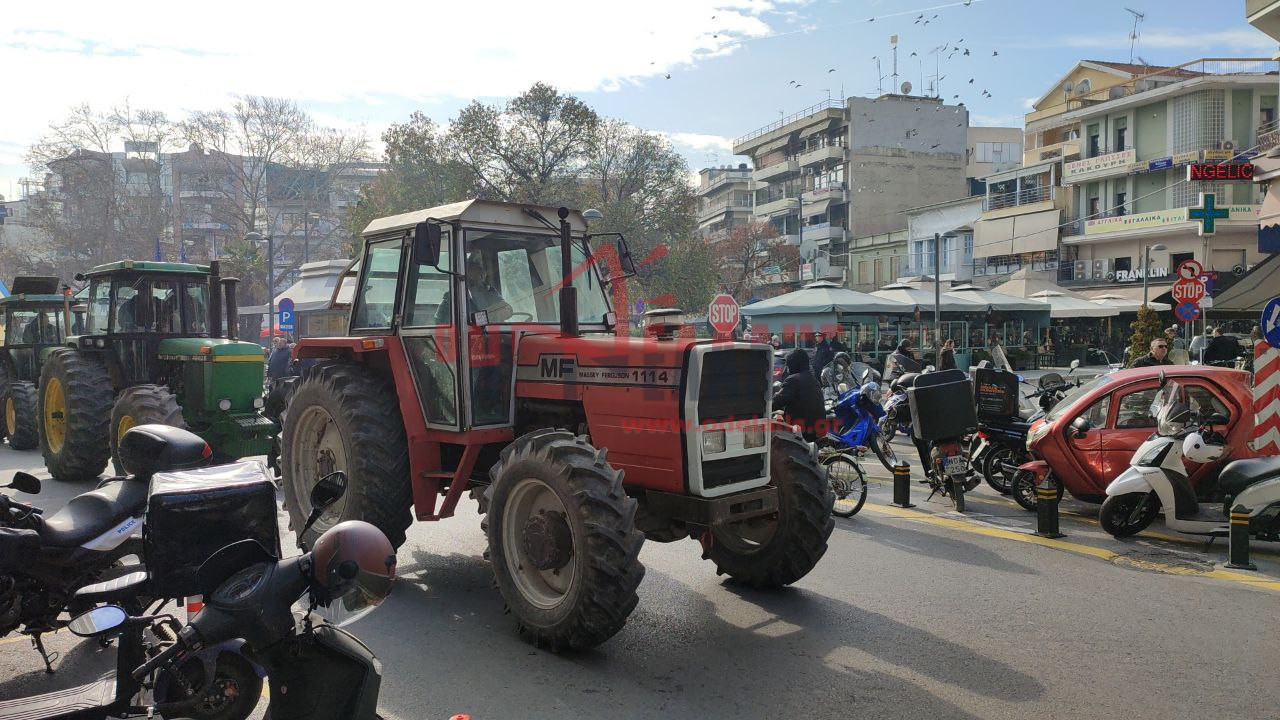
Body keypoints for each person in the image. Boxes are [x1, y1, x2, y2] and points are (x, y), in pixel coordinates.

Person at [773, 349, 825, 442]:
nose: (787, 368)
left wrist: (764, 406)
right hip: (817, 429)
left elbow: (777, 402)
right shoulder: (812, 378)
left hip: (801, 431)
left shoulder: (793, 380)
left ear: (793, 364)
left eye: (788, 365)